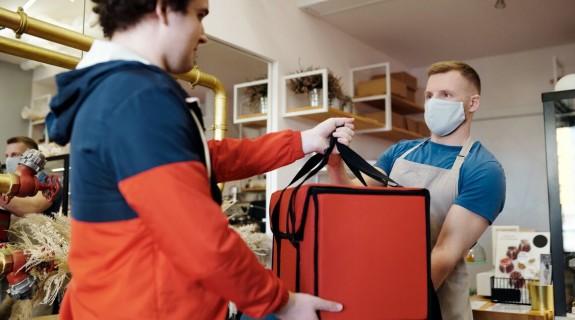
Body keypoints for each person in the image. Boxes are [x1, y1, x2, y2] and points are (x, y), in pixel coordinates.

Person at [45, 0, 354, 319]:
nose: (203, 35)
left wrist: (303, 141)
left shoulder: (120, 92)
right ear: (163, 9)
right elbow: (198, 236)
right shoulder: (137, 98)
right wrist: (281, 302)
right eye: (200, 15)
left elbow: (206, 158)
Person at [328, 60, 506, 320]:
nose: (434, 102)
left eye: (446, 95)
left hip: (435, 307)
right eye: (429, 95)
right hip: (380, 292)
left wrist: (398, 307)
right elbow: (348, 196)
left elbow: (444, 254)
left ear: (472, 103)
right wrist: (335, 163)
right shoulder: (401, 151)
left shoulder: (483, 169)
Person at [0, 136, 63, 241]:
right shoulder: (9, 181)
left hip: (39, 248)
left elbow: (31, 208)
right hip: (10, 247)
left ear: (31, 156)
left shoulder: (47, 182)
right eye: (7, 155)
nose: (9, 159)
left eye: (15, 154)